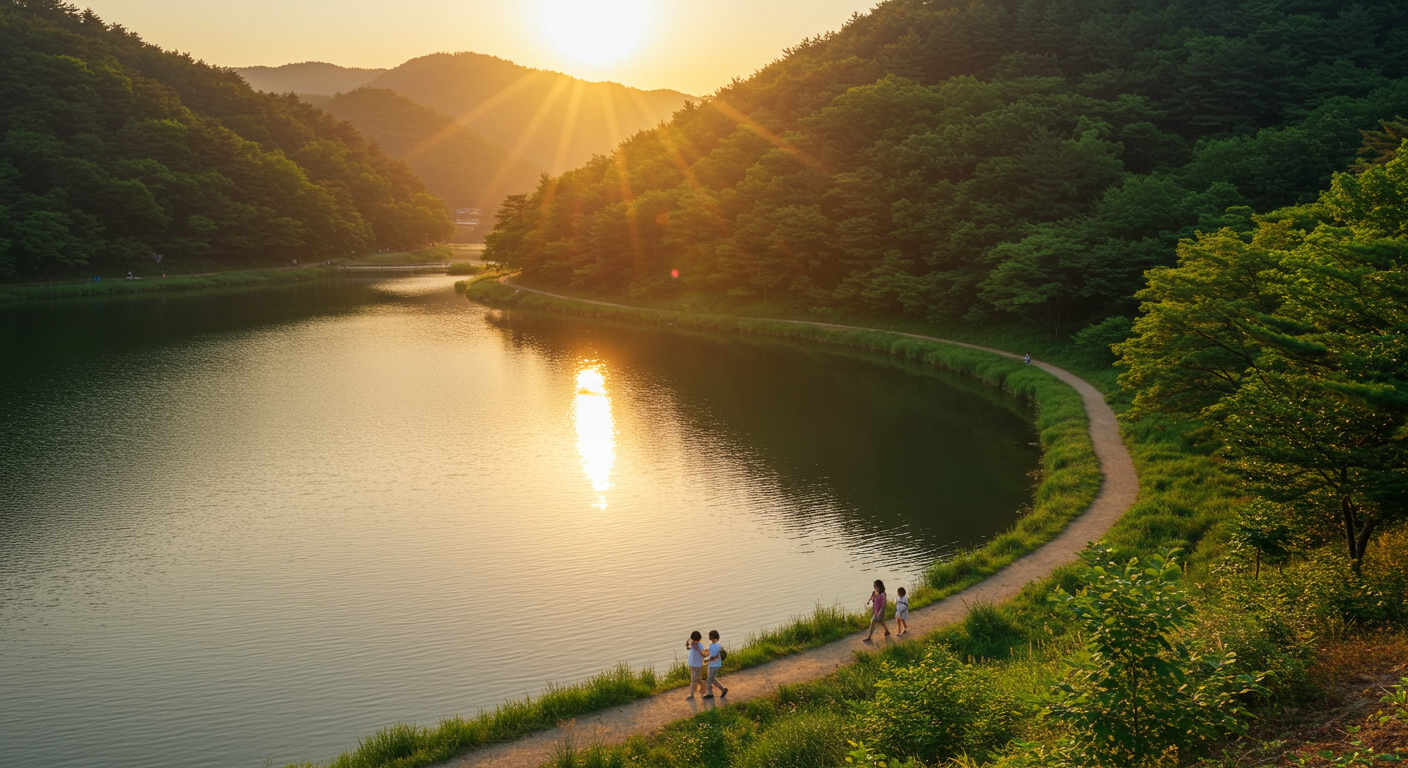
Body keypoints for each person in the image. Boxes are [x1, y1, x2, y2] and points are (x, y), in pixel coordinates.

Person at [703, 629, 728, 699]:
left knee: (708, 680)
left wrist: (706, 659)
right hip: (718, 664)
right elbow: (716, 654)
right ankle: (723, 689)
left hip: (713, 665)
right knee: (712, 679)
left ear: (711, 637)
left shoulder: (713, 646)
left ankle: (710, 694)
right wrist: (708, 652)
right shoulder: (717, 645)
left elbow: (713, 657)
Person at [684, 630, 706, 700]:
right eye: (693, 640)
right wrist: (688, 643)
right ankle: (704, 686)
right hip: (691, 664)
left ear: (699, 640)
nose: (694, 642)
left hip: (698, 665)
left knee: (694, 680)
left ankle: (692, 695)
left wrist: (698, 649)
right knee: (696, 679)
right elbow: (687, 647)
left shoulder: (700, 646)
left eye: (696, 641)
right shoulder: (691, 643)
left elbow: (703, 655)